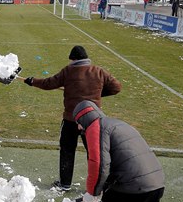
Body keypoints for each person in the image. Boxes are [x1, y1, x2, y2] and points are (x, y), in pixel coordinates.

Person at [23, 46, 121, 192]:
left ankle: (65, 183)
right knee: (95, 153)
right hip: (93, 121)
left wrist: (32, 81)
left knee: (67, 150)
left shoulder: (68, 71)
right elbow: (116, 87)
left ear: (73, 59)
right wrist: (98, 94)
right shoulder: (99, 71)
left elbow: (48, 83)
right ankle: (100, 185)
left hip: (71, 119)